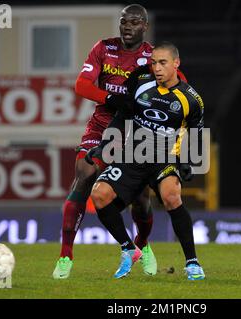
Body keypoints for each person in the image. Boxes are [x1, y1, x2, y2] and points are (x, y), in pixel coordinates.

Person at [53, 4, 159, 279]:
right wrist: (111, 98)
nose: (127, 26)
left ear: (144, 27)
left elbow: (171, 88)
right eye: (124, 21)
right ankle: (65, 256)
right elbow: (82, 85)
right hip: (101, 126)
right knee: (84, 174)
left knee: (141, 197)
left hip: (135, 130)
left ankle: (142, 246)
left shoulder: (152, 57)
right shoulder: (103, 48)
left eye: (134, 22)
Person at [87, 42, 206, 280]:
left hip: (165, 156)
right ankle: (128, 248)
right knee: (99, 195)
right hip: (134, 153)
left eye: (163, 63)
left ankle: (192, 263)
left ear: (176, 64)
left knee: (172, 196)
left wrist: (187, 161)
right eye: (153, 63)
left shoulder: (191, 100)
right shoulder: (141, 85)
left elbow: (196, 133)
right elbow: (122, 116)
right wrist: (104, 145)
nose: (157, 68)